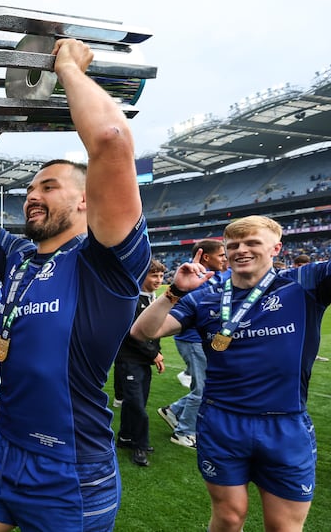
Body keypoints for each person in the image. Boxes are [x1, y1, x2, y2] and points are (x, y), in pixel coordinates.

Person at [0, 38, 151, 531]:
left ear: (84, 203)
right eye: (31, 188)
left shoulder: (105, 261)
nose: (33, 195)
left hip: (69, 470)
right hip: (1, 448)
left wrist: (70, 69)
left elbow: (112, 139)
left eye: (48, 187)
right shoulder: (17, 255)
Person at [131, 215, 328, 532]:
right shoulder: (204, 296)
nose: (241, 250)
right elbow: (143, 331)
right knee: (228, 516)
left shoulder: (305, 282)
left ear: (276, 248)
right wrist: (174, 292)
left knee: (284, 526)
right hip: (222, 422)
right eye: (233, 244)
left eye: (252, 243)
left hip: (285, 423)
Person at [156, 239, 228, 449]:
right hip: (193, 340)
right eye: (221, 255)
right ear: (206, 257)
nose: (225, 258)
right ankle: (184, 432)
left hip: (198, 340)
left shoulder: (210, 278)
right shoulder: (196, 278)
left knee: (205, 387)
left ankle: (173, 410)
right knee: (203, 389)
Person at [115, 260, 166, 467]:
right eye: (154, 276)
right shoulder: (131, 299)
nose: (159, 280)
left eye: (162, 276)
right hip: (129, 359)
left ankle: (126, 437)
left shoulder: (153, 299)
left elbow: (152, 332)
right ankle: (140, 445)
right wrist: (154, 353)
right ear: (142, 275)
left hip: (143, 360)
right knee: (137, 404)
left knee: (135, 402)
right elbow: (132, 334)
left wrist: (156, 352)